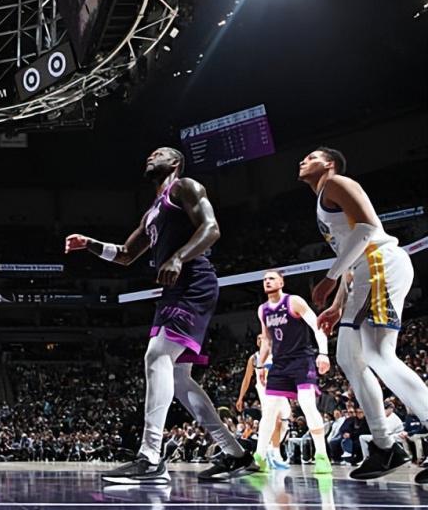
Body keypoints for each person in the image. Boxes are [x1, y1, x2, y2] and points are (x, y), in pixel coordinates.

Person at [66, 147, 253, 484]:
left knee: (156, 356)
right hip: (173, 289)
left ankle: (150, 456)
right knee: (179, 380)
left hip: (193, 281)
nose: (151, 156)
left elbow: (211, 228)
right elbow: (126, 254)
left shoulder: (185, 187)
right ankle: (235, 453)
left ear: (175, 162)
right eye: (150, 154)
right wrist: (90, 243)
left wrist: (179, 257)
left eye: (160, 153)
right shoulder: (152, 211)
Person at [300, 147, 428, 483]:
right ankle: (385, 446)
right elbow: (352, 253)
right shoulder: (323, 200)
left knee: (379, 354)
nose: (303, 161)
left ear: (329, 164)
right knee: (348, 357)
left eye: (311, 157)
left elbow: (368, 229)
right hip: (364, 271)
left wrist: (330, 277)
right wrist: (337, 305)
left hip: (380, 263)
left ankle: (398, 439)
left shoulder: (337, 183)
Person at [253, 271, 332, 474]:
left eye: (271, 278)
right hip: (279, 364)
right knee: (269, 412)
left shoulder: (293, 301)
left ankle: (322, 455)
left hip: (301, 360)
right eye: (264, 279)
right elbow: (267, 340)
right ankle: (259, 457)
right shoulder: (263, 310)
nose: (267, 281)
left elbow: (317, 326)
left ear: (281, 282)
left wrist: (323, 353)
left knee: (307, 405)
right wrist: (260, 366)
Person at [235, 334, 291, 469]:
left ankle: (269, 448)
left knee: (284, 421)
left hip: (279, 389)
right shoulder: (254, 358)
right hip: (265, 392)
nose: (261, 339)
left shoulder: (277, 354)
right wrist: (241, 397)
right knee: (274, 419)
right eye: (259, 338)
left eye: (264, 338)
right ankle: (275, 455)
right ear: (257, 341)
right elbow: (247, 379)